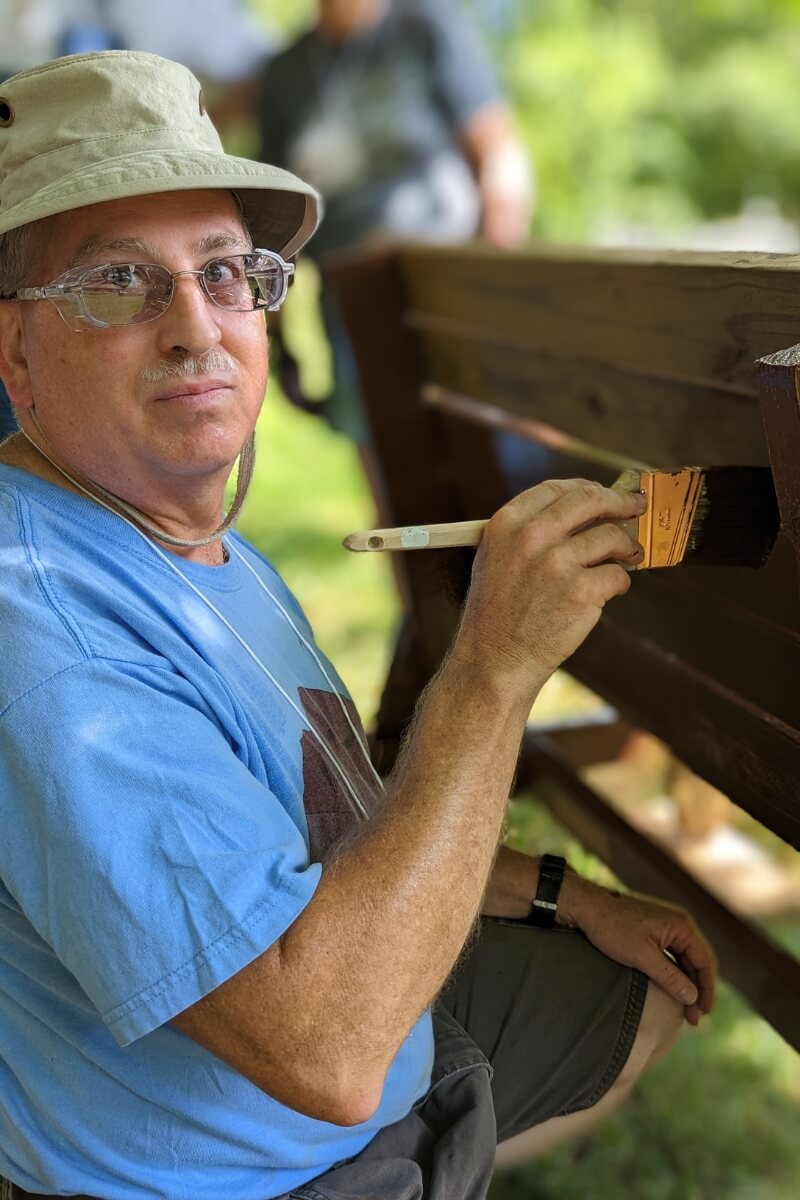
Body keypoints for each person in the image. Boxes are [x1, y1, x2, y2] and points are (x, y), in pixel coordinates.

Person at [0, 50, 715, 1200]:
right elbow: (326, 1056)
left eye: (226, 272)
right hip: (258, 1172)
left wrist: (557, 892)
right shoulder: (44, 638)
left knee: (637, 993)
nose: (195, 326)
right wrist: (491, 668)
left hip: (353, 1040)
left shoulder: (162, 526)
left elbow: (313, 815)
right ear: (13, 356)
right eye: (118, 283)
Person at [257, 0, 533, 453]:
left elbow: (496, 147)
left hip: (444, 285)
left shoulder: (424, 27)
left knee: (486, 454)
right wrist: (279, 337)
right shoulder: (285, 74)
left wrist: (497, 283)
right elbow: (276, 214)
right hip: (350, 300)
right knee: (395, 466)